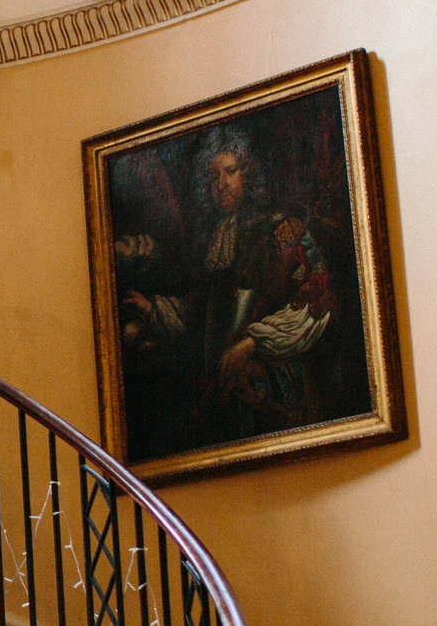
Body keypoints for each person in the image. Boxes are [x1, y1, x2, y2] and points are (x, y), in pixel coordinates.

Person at [114, 126, 338, 450]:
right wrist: (154, 310)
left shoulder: (279, 229)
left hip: (270, 389)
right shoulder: (211, 240)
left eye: (230, 172)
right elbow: (201, 316)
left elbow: (319, 298)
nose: (222, 185)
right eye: (214, 176)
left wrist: (252, 341)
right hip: (222, 394)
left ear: (248, 174)